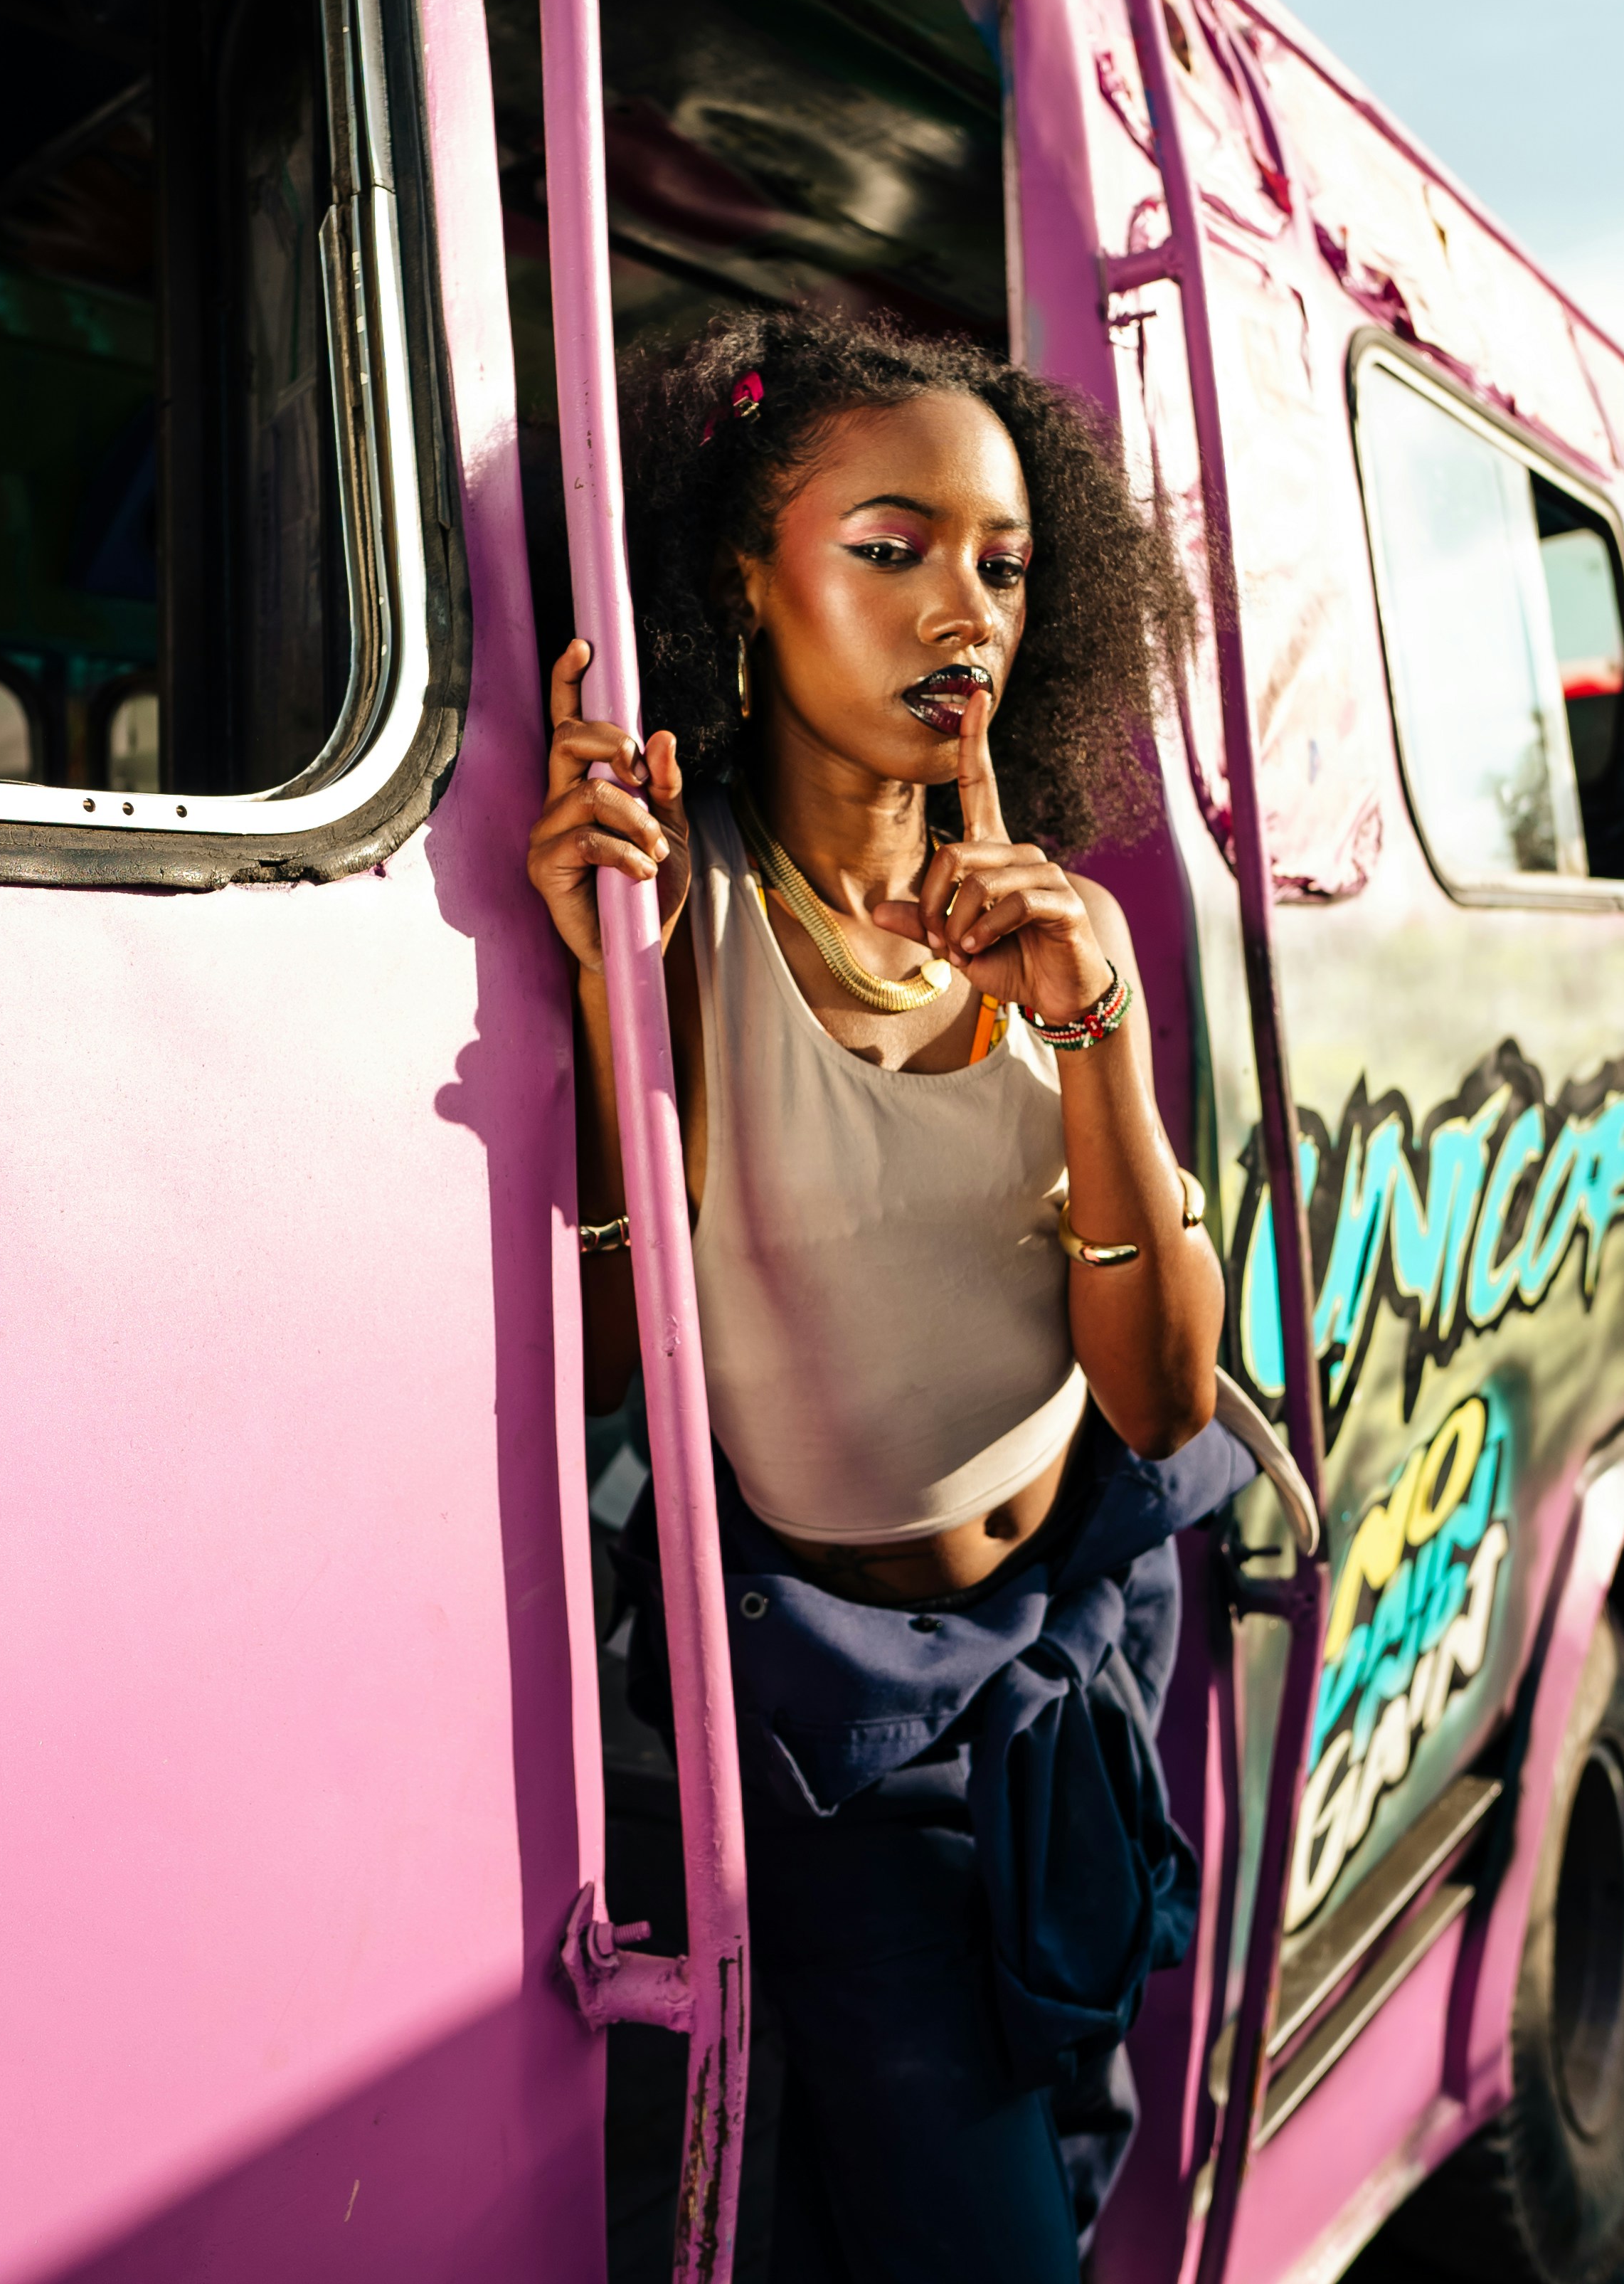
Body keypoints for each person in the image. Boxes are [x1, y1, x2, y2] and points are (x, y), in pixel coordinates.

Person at [527, 310, 1253, 2280]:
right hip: (852, 1733)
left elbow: (1170, 1398)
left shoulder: (1048, 917)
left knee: (1080, 2142)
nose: (967, 612)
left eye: (1005, 564)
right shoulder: (680, 914)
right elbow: (619, 1366)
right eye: (893, 547)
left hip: (1084, 1651)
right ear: (748, 584)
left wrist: (1094, 1036)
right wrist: (615, 1005)